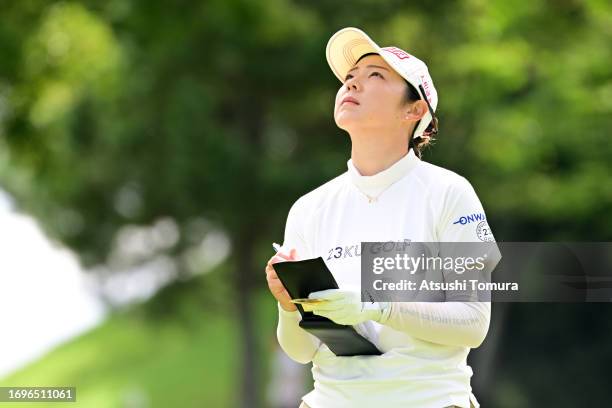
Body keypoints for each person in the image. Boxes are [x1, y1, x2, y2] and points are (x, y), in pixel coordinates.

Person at [265, 27, 497, 408]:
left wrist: (379, 308)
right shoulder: (309, 208)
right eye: (350, 77)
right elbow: (301, 351)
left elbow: (474, 322)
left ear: (414, 110)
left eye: (375, 76)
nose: (352, 84)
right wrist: (287, 307)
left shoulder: (449, 193)